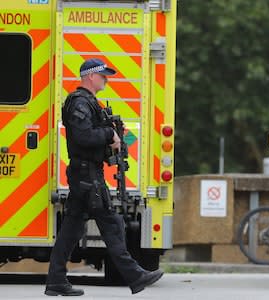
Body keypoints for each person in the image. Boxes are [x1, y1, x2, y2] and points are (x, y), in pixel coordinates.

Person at [45, 58, 163, 296]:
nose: (106, 79)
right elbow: (83, 137)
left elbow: (101, 134)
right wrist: (109, 134)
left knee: (70, 231)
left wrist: (117, 137)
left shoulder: (89, 103)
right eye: (103, 75)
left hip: (87, 174)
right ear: (90, 76)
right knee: (111, 223)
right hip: (87, 174)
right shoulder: (79, 102)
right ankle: (135, 276)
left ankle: (56, 281)